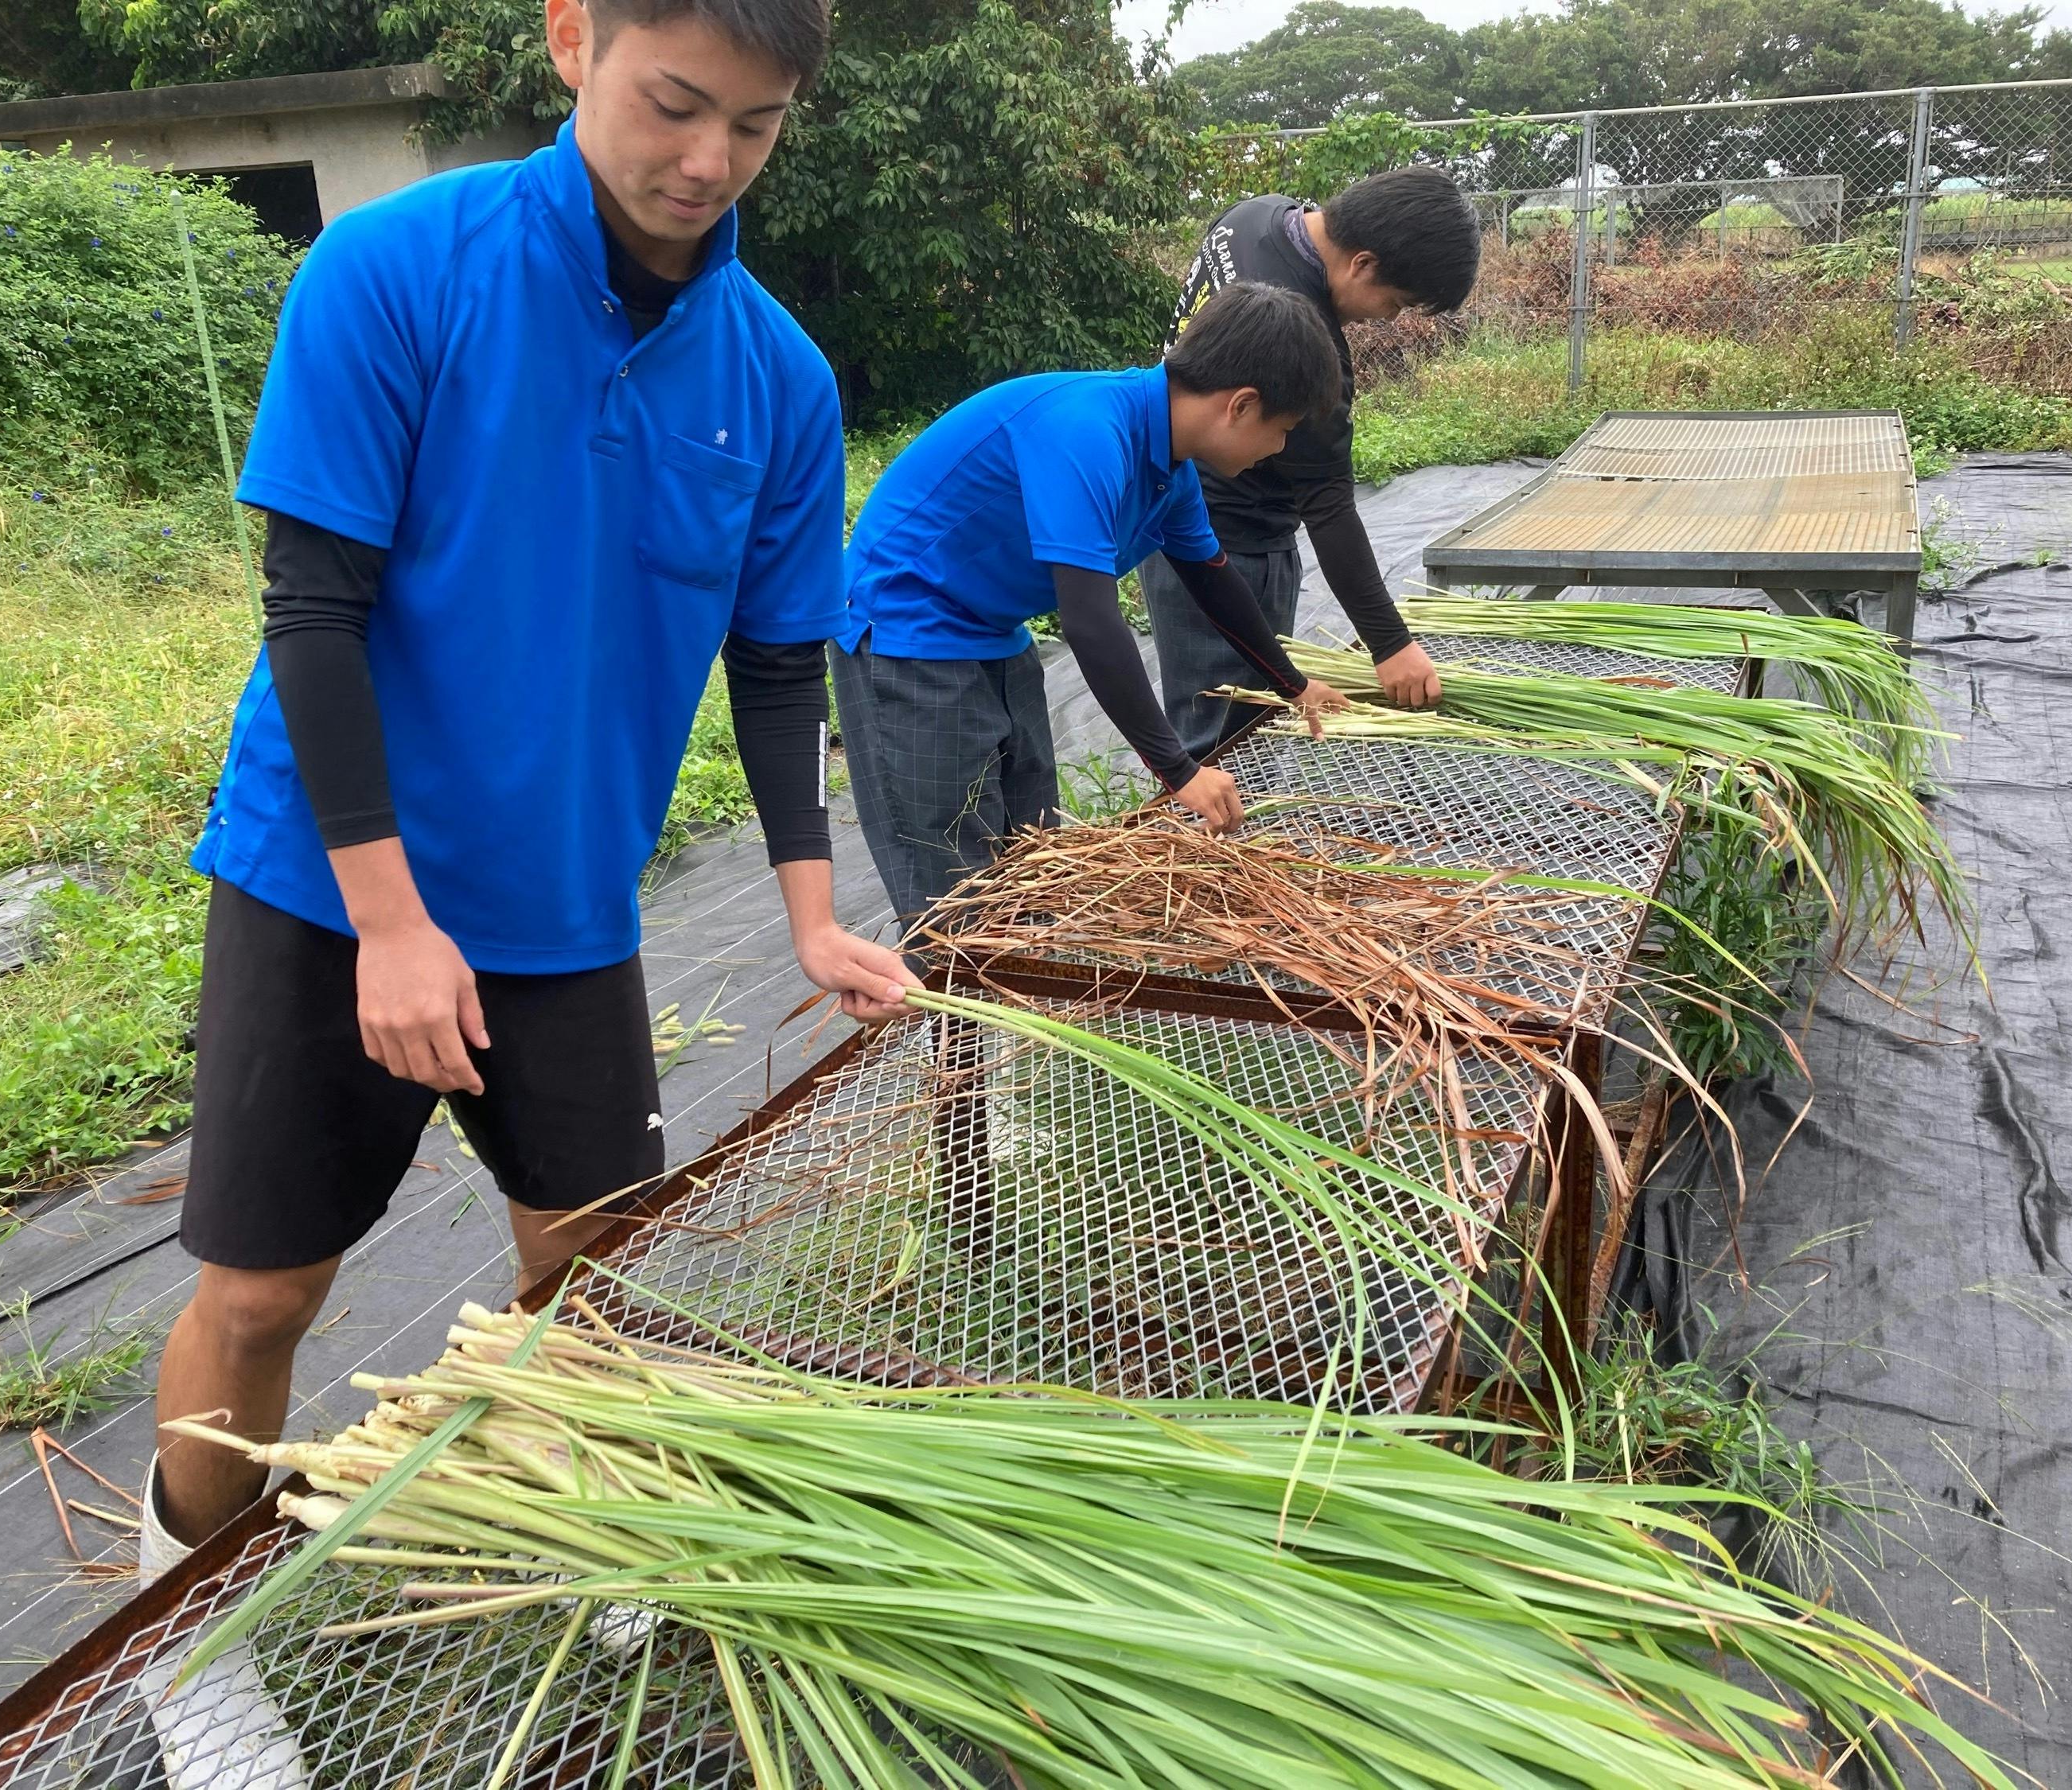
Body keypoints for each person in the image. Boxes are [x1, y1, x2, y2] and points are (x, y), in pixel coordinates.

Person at [143, 0, 916, 1570]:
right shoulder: (395, 271)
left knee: (595, 1261)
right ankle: (178, 1638)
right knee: (264, 1291)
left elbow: (775, 664)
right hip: (326, 877)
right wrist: (391, 922)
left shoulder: (778, 378)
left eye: (754, 129)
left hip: (563, 902)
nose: (708, 162)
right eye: (676, 105)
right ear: (576, 39)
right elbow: (313, 610)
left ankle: (579, 1547)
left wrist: (815, 918)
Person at [835, 282, 1350, 935]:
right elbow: (1090, 619)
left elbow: (1214, 581)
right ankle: (955, 1028)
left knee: (1031, 855)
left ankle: (1018, 1017)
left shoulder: (1171, 469)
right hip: (906, 636)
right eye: (1281, 432)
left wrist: (1294, 685)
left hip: (992, 630)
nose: (1276, 450)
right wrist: (1179, 769)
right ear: (1241, 406)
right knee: (951, 888)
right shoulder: (1089, 430)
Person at [1143, 167, 1486, 760]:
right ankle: (1207, 848)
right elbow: (1327, 505)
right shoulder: (1304, 344)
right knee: (1230, 738)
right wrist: (1391, 644)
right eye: (1397, 303)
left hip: (1169, 510)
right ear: (1364, 263)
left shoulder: (1252, 217)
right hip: (1230, 548)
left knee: (1221, 718)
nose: (1390, 319)